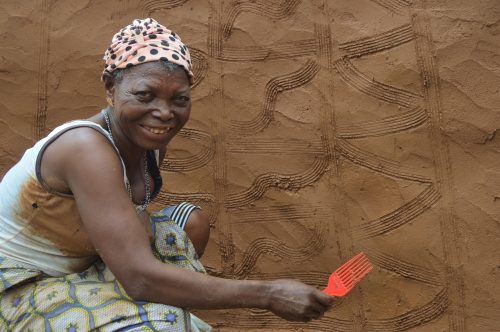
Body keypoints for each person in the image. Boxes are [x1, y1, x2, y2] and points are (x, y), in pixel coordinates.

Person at [0, 18, 334, 331]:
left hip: (84, 263)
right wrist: (269, 294)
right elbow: (138, 278)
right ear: (110, 88)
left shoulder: (148, 143)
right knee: (164, 321)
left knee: (189, 223)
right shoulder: (84, 147)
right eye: (144, 95)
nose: (164, 113)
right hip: (20, 284)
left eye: (179, 100)